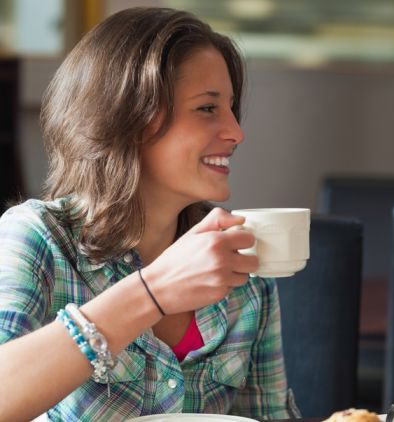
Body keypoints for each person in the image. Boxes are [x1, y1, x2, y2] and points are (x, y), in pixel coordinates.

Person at [0, 7, 299, 420]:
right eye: (207, 108)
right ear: (128, 116)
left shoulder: (243, 265)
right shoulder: (39, 239)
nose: (236, 132)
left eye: (231, 109)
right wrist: (153, 291)